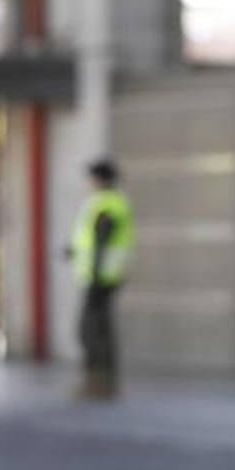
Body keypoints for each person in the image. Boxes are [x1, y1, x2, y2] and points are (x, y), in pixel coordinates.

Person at [70, 158, 134, 399]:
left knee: (90, 329)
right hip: (108, 274)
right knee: (102, 327)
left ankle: (96, 377)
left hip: (100, 277)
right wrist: (75, 251)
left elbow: (101, 240)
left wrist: (95, 271)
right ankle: (103, 376)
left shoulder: (106, 204)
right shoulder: (115, 202)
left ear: (99, 178)